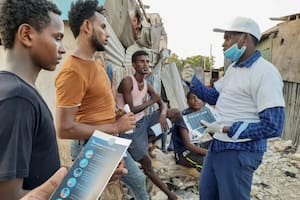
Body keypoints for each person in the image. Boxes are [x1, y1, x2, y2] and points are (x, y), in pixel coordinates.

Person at [182, 16, 285, 200]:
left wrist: (225, 128)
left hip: (240, 151)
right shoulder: (234, 69)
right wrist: (193, 82)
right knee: (207, 194)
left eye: (228, 38)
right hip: (219, 146)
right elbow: (214, 96)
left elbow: (273, 126)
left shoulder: (265, 73)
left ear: (244, 38)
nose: (223, 44)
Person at [54, 1, 149, 199]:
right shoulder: (72, 71)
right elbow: (64, 128)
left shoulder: (96, 64)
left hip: (109, 140)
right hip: (89, 146)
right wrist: (115, 127)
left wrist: (115, 113)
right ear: (87, 27)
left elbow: (95, 104)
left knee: (138, 181)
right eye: (103, 27)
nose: (107, 34)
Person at [0, 1, 65, 199]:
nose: (63, 49)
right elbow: (9, 196)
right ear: (27, 35)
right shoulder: (19, 98)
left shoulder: (13, 88)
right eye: (57, 38)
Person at [116, 50, 181, 200]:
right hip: (129, 126)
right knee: (147, 164)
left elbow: (162, 103)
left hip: (142, 123)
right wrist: (151, 101)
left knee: (175, 113)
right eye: (141, 61)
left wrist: (163, 115)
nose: (145, 64)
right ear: (133, 65)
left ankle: (148, 139)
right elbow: (131, 109)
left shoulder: (146, 83)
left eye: (147, 61)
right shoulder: (128, 81)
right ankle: (170, 194)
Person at [172, 91, 211, 171]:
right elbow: (188, 145)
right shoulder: (183, 117)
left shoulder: (203, 114)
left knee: (218, 143)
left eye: (199, 98)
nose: (196, 100)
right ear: (188, 101)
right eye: (192, 98)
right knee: (208, 164)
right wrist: (209, 153)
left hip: (197, 146)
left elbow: (213, 133)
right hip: (185, 153)